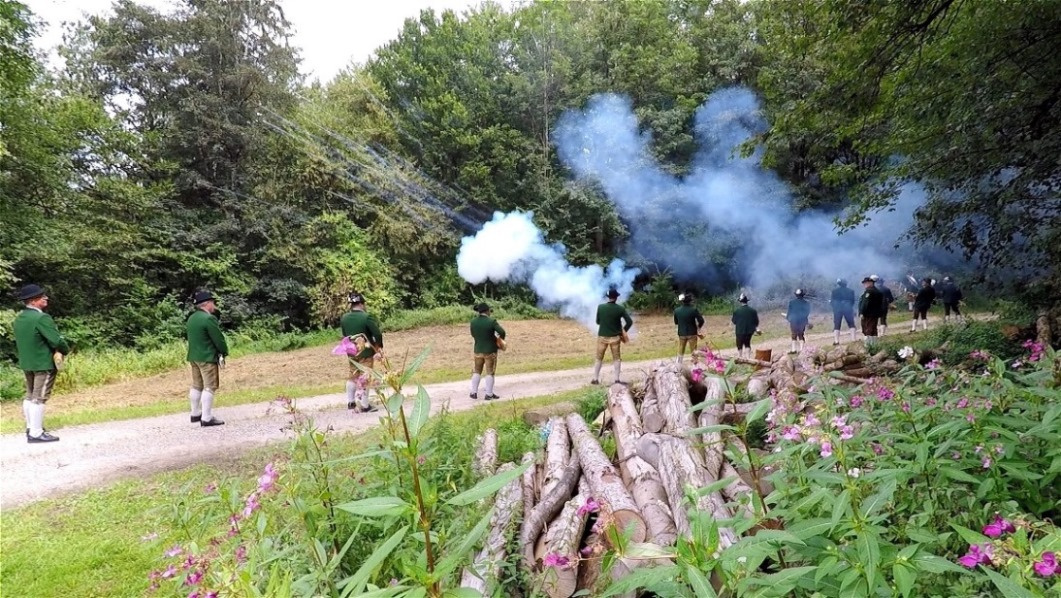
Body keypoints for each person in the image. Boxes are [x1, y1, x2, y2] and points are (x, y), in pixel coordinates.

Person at [14, 284, 71, 443]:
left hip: (28, 363)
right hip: (43, 364)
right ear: (33, 301)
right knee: (39, 398)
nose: (46, 298)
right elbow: (56, 340)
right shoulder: (42, 318)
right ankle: (36, 433)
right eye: (42, 296)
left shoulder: (20, 318)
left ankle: (30, 428)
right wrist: (65, 350)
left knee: (30, 395)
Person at [185, 291, 228, 427]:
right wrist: (223, 351)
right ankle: (207, 417)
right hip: (207, 357)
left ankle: (195, 413)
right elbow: (218, 339)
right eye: (213, 302)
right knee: (210, 387)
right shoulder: (208, 319)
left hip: (194, 356)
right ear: (208, 303)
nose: (214, 305)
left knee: (197, 385)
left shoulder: (192, 318)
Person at [340, 291, 382, 413]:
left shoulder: (344, 318)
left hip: (351, 351)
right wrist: (378, 347)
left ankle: (351, 402)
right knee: (366, 376)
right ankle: (364, 405)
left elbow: (344, 335)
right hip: (366, 352)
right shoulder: (366, 317)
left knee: (352, 375)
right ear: (362, 304)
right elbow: (377, 333)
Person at [592, 287, 633, 385]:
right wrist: (623, 331)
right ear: (616, 298)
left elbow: (597, 322)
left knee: (599, 357)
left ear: (608, 297)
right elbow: (629, 322)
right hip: (615, 337)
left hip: (602, 337)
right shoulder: (620, 309)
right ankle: (616, 379)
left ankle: (595, 379)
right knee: (617, 358)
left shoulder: (601, 307)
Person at [469, 303, 506, 400]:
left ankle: (473, 392)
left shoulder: (473, 322)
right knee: (490, 372)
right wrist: (498, 339)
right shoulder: (491, 321)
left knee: (477, 371)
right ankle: (489, 394)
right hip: (490, 350)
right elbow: (502, 332)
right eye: (489, 310)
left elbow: (473, 334)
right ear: (486, 311)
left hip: (477, 350)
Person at [673, 290, 705, 362]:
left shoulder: (677, 310)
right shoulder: (693, 310)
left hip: (681, 333)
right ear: (690, 301)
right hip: (692, 332)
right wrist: (698, 327)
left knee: (681, 348)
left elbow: (676, 322)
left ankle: (679, 363)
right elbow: (701, 320)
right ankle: (695, 363)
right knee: (693, 349)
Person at [858, 277, 885, 348]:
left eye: (866, 283)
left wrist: (862, 312)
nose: (864, 284)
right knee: (873, 329)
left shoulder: (869, 291)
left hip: (868, 313)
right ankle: (874, 345)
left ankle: (868, 346)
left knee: (868, 329)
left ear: (871, 283)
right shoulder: (878, 291)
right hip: (875, 313)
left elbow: (865, 303)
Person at [731, 293, 759, 359]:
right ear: (747, 301)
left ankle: (740, 358)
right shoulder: (753, 311)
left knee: (739, 345)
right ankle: (748, 358)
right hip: (749, 331)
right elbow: (756, 322)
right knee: (747, 344)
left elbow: (734, 321)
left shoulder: (736, 311)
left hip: (739, 331)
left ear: (740, 302)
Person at [829, 279, 857, 345]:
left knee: (837, 325)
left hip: (838, 309)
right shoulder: (851, 291)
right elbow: (852, 302)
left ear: (839, 284)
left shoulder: (834, 291)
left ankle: (836, 341)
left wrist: (833, 305)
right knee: (851, 324)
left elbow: (832, 302)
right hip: (848, 308)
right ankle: (853, 340)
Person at [785, 289, 811, 354]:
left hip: (793, 320)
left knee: (794, 334)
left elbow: (789, 312)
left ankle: (793, 350)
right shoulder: (806, 303)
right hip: (802, 320)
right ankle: (801, 350)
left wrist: (788, 318)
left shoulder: (791, 302)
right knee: (801, 334)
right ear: (803, 295)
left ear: (796, 295)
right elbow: (807, 312)